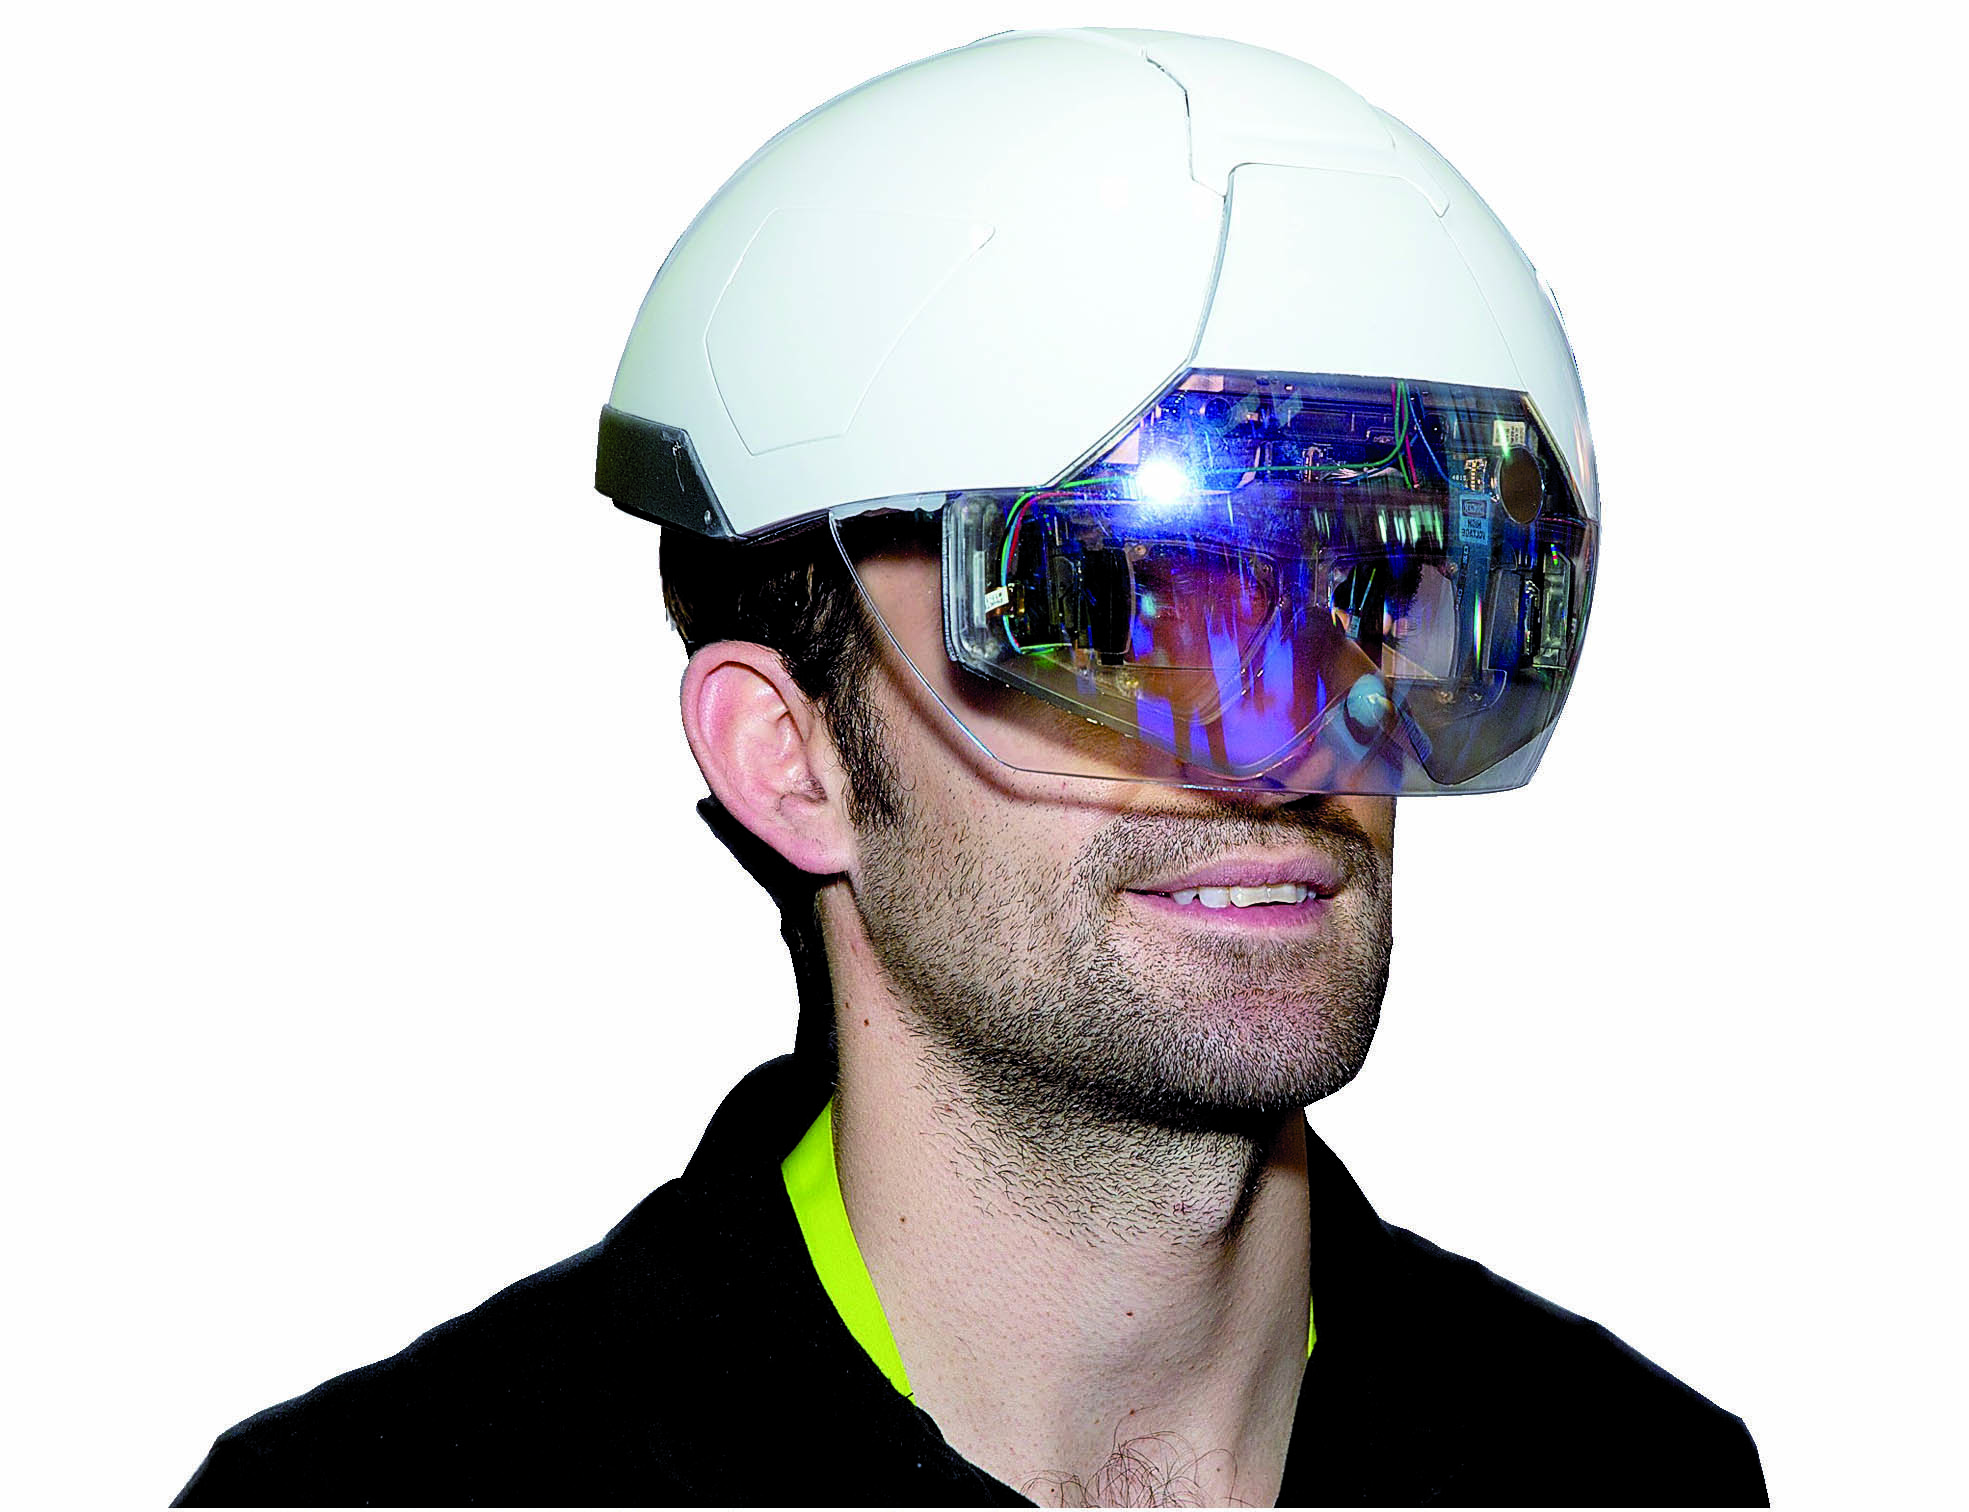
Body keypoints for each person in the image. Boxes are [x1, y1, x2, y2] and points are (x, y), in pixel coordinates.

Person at [175, 26, 1766, 1507]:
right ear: (791, 760)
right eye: (1100, 603)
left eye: (1366, 585)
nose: (1285, 739)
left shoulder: (1627, 1471)